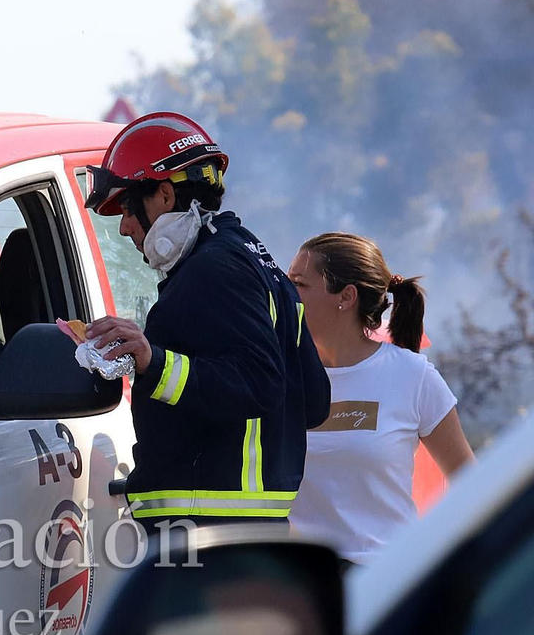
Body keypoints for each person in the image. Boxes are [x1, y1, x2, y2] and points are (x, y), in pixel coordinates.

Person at [82, 112, 331, 533]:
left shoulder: (213, 269)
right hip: (248, 527)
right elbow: (314, 401)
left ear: (163, 194)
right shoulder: (255, 259)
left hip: (208, 529)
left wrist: (152, 362)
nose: (124, 228)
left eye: (127, 208)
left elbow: (259, 383)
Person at [287, 232, 474, 566]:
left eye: (299, 284)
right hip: (304, 582)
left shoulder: (413, 376)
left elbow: (473, 486)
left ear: (345, 297)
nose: (285, 294)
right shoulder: (280, 375)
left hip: (387, 580)